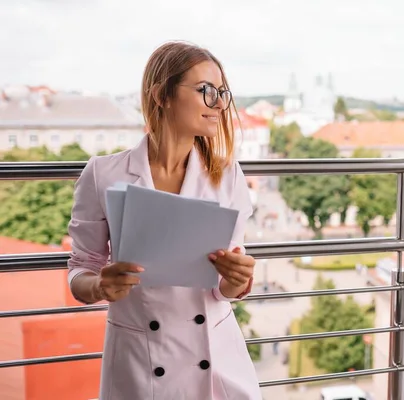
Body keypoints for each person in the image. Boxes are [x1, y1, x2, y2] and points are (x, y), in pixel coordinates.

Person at [66, 41, 262, 400]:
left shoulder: (228, 175)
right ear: (162, 95)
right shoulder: (103, 174)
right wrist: (99, 286)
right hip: (141, 366)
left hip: (218, 364)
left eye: (223, 93)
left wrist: (237, 278)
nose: (219, 104)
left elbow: (222, 290)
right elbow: (80, 270)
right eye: (206, 91)